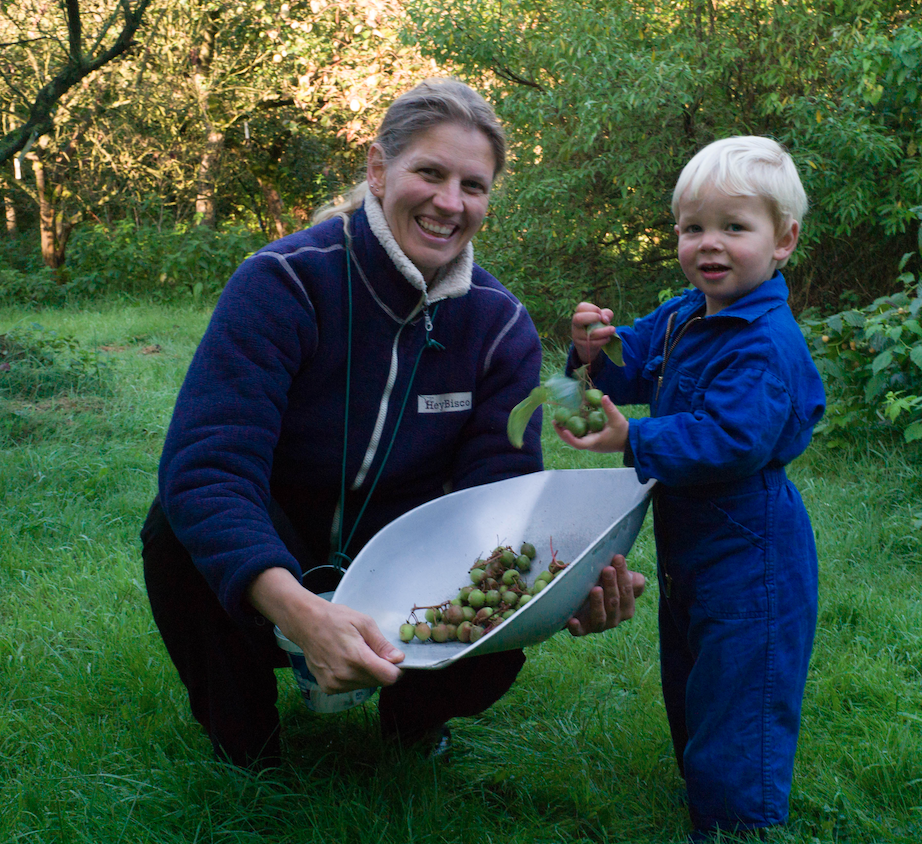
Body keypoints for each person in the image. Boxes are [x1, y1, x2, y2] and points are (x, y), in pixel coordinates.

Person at [141, 78, 644, 769]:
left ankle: (414, 718)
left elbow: (503, 505)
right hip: (277, 549)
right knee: (175, 526)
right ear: (379, 169)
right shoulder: (283, 282)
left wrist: (558, 595)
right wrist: (298, 610)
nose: (449, 203)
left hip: (410, 565)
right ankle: (246, 747)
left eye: (473, 185)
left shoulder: (499, 327)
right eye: (429, 173)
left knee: (500, 578)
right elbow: (207, 466)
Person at [557, 136, 825, 840]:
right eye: (693, 227)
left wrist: (635, 440)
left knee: (743, 684)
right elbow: (626, 364)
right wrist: (592, 346)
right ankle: (704, 791)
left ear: (783, 241)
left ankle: (738, 820)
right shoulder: (684, 315)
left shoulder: (765, 341)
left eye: (735, 227)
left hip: (753, 550)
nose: (710, 244)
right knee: (694, 675)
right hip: (692, 548)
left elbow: (735, 438)